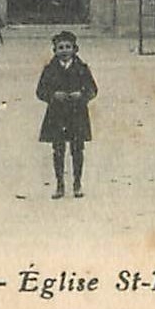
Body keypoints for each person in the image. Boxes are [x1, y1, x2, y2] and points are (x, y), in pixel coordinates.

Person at [36, 30, 97, 199]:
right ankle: (60, 184)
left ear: (75, 49)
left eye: (68, 47)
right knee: (58, 150)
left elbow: (93, 89)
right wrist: (53, 95)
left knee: (77, 150)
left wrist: (82, 95)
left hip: (77, 114)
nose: (64, 50)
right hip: (57, 114)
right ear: (54, 50)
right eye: (60, 47)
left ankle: (77, 183)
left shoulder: (82, 68)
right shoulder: (49, 69)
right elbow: (40, 91)